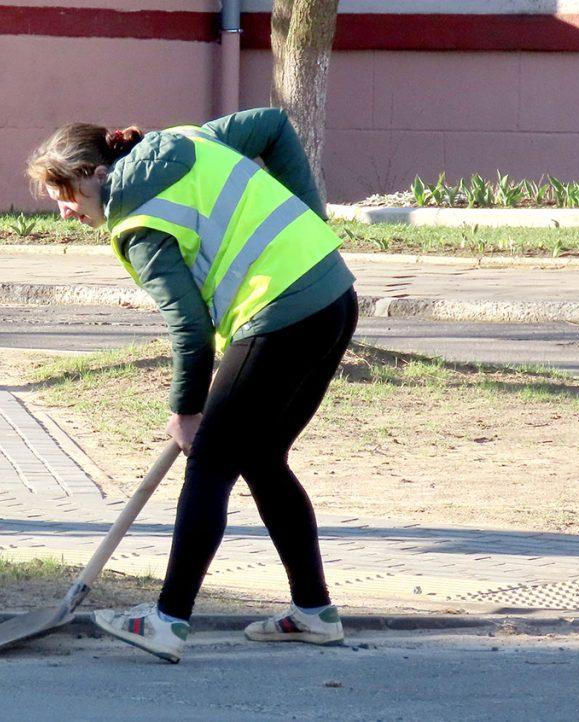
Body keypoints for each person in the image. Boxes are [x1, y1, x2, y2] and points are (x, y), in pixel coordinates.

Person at [26, 108, 358, 663]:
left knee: (209, 461)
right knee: (263, 457)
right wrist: (309, 220)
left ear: (94, 174)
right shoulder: (184, 139)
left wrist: (186, 411)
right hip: (332, 297)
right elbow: (274, 126)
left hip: (280, 314)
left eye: (64, 193)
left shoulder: (138, 226)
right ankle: (314, 612)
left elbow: (189, 329)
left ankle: (167, 620)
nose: (64, 211)